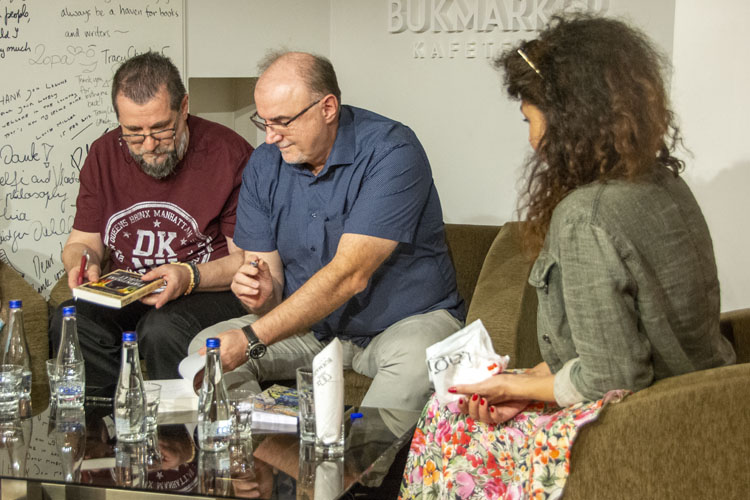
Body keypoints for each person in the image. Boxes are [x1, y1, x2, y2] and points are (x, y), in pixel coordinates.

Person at [399, 14, 736, 499]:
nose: (531, 138)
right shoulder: (664, 184)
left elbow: (612, 376)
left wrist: (515, 389)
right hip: (702, 405)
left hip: (640, 425)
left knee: (444, 418)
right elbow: (622, 342)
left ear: (566, 118)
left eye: (529, 119)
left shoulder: (586, 216)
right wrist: (527, 379)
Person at [191, 51, 465, 411]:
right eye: (264, 122)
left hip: (403, 325)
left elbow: (349, 275)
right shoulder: (264, 163)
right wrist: (261, 294)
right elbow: (269, 286)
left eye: (282, 122)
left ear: (328, 108)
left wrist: (252, 338)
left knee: (417, 360)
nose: (270, 137)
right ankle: (266, 437)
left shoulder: (392, 150)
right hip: (312, 330)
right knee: (207, 348)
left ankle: (360, 450)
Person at [50, 52, 253, 393]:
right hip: (132, 289)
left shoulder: (229, 154)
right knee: (72, 320)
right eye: (133, 132)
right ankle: (107, 421)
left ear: (184, 107)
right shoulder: (103, 154)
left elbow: (246, 261)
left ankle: (177, 425)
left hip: (206, 287)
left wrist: (188, 276)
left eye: (161, 129)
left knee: (161, 329)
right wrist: (82, 264)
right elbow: (81, 242)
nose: (148, 145)